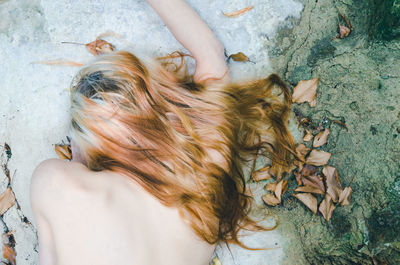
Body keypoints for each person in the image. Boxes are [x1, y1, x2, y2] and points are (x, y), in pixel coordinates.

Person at [30, 0, 295, 264]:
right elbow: (211, 58)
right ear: (162, 101)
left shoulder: (58, 184)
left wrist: (79, 160)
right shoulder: (204, 163)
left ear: (95, 147)